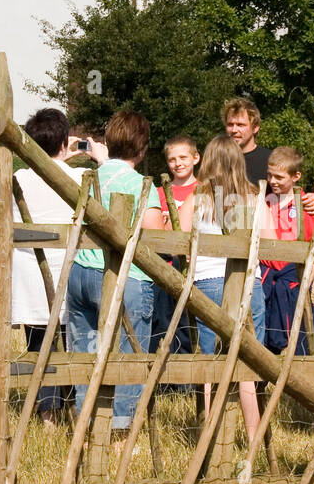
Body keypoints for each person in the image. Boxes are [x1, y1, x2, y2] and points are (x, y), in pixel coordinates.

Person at [67, 110, 165, 433]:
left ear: (108, 142)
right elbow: (154, 238)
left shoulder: (92, 179)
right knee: (127, 355)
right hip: (124, 278)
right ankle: (120, 430)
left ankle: (85, 422)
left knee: (85, 351)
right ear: (142, 149)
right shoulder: (141, 185)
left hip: (81, 272)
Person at [177, 134, 274, 443]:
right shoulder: (253, 197)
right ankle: (252, 435)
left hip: (207, 283)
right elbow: (272, 240)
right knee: (246, 363)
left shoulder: (198, 197)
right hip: (248, 283)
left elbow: (178, 238)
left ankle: (211, 434)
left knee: (211, 362)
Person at [12, 109, 100, 428]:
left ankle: (47, 415)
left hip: (30, 276)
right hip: (70, 272)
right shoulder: (79, 177)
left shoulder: (18, 179)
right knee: (75, 341)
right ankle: (74, 407)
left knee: (39, 344)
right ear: (65, 142)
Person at [261, 146, 314, 355]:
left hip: (294, 275)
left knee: (301, 331)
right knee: (264, 334)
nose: (272, 181)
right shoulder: (264, 200)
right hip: (266, 274)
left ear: (296, 176)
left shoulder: (306, 205)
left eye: (279, 176)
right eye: (269, 175)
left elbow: (311, 240)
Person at [152, 135, 201, 355]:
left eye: (183, 157)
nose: (178, 163)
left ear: (196, 158)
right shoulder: (158, 192)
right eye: (172, 159)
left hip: (193, 268)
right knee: (161, 320)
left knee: (188, 322)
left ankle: (186, 380)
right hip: (162, 267)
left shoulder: (203, 190)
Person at [223, 97, 270, 187]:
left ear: (255, 128)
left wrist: (304, 198)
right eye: (230, 124)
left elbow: (289, 194)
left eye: (240, 125)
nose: (234, 130)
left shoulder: (270, 160)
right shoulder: (218, 158)